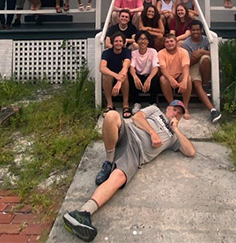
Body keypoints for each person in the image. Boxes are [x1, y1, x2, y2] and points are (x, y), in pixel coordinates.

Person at [62, 101, 195, 242]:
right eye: (174, 110)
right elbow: (137, 117)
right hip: (128, 133)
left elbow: (190, 151)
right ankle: (109, 161)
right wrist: (152, 133)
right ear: (167, 108)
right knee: (111, 115)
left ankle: (83, 213)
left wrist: (176, 130)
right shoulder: (155, 110)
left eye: (179, 113)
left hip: (136, 153)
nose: (175, 114)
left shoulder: (174, 137)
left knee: (119, 177)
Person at [182, 20, 221, 123]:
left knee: (205, 58)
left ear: (202, 30)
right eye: (193, 30)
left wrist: (201, 52)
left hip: (204, 65)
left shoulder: (207, 40)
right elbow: (187, 63)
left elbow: (215, 54)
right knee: (196, 83)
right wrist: (196, 57)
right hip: (192, 66)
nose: (196, 32)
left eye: (198, 30)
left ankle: (205, 85)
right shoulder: (186, 44)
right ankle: (213, 110)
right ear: (190, 31)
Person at [158, 33, 192, 120]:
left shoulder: (183, 52)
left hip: (179, 74)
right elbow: (163, 68)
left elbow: (185, 66)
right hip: (168, 75)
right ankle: (173, 106)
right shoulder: (161, 53)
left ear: (176, 42)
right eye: (167, 42)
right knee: (163, 79)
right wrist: (170, 79)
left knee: (188, 78)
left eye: (171, 41)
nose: (169, 43)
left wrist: (184, 80)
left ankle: (185, 107)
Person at [100, 32, 132, 118]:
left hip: (122, 76)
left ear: (123, 42)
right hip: (111, 75)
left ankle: (125, 104)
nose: (118, 43)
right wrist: (116, 75)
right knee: (106, 76)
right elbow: (102, 68)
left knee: (124, 76)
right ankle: (110, 105)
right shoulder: (106, 53)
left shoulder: (126, 52)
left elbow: (125, 67)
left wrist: (118, 82)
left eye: (120, 41)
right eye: (116, 41)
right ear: (112, 43)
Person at [129, 30, 161, 115]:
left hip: (149, 75)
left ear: (148, 41)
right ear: (137, 41)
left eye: (145, 39)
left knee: (155, 78)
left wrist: (149, 79)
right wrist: (135, 77)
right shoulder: (134, 53)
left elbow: (155, 67)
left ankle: (152, 103)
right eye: (140, 39)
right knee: (131, 77)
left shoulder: (153, 51)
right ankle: (137, 103)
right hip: (139, 76)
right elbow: (131, 67)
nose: (143, 41)